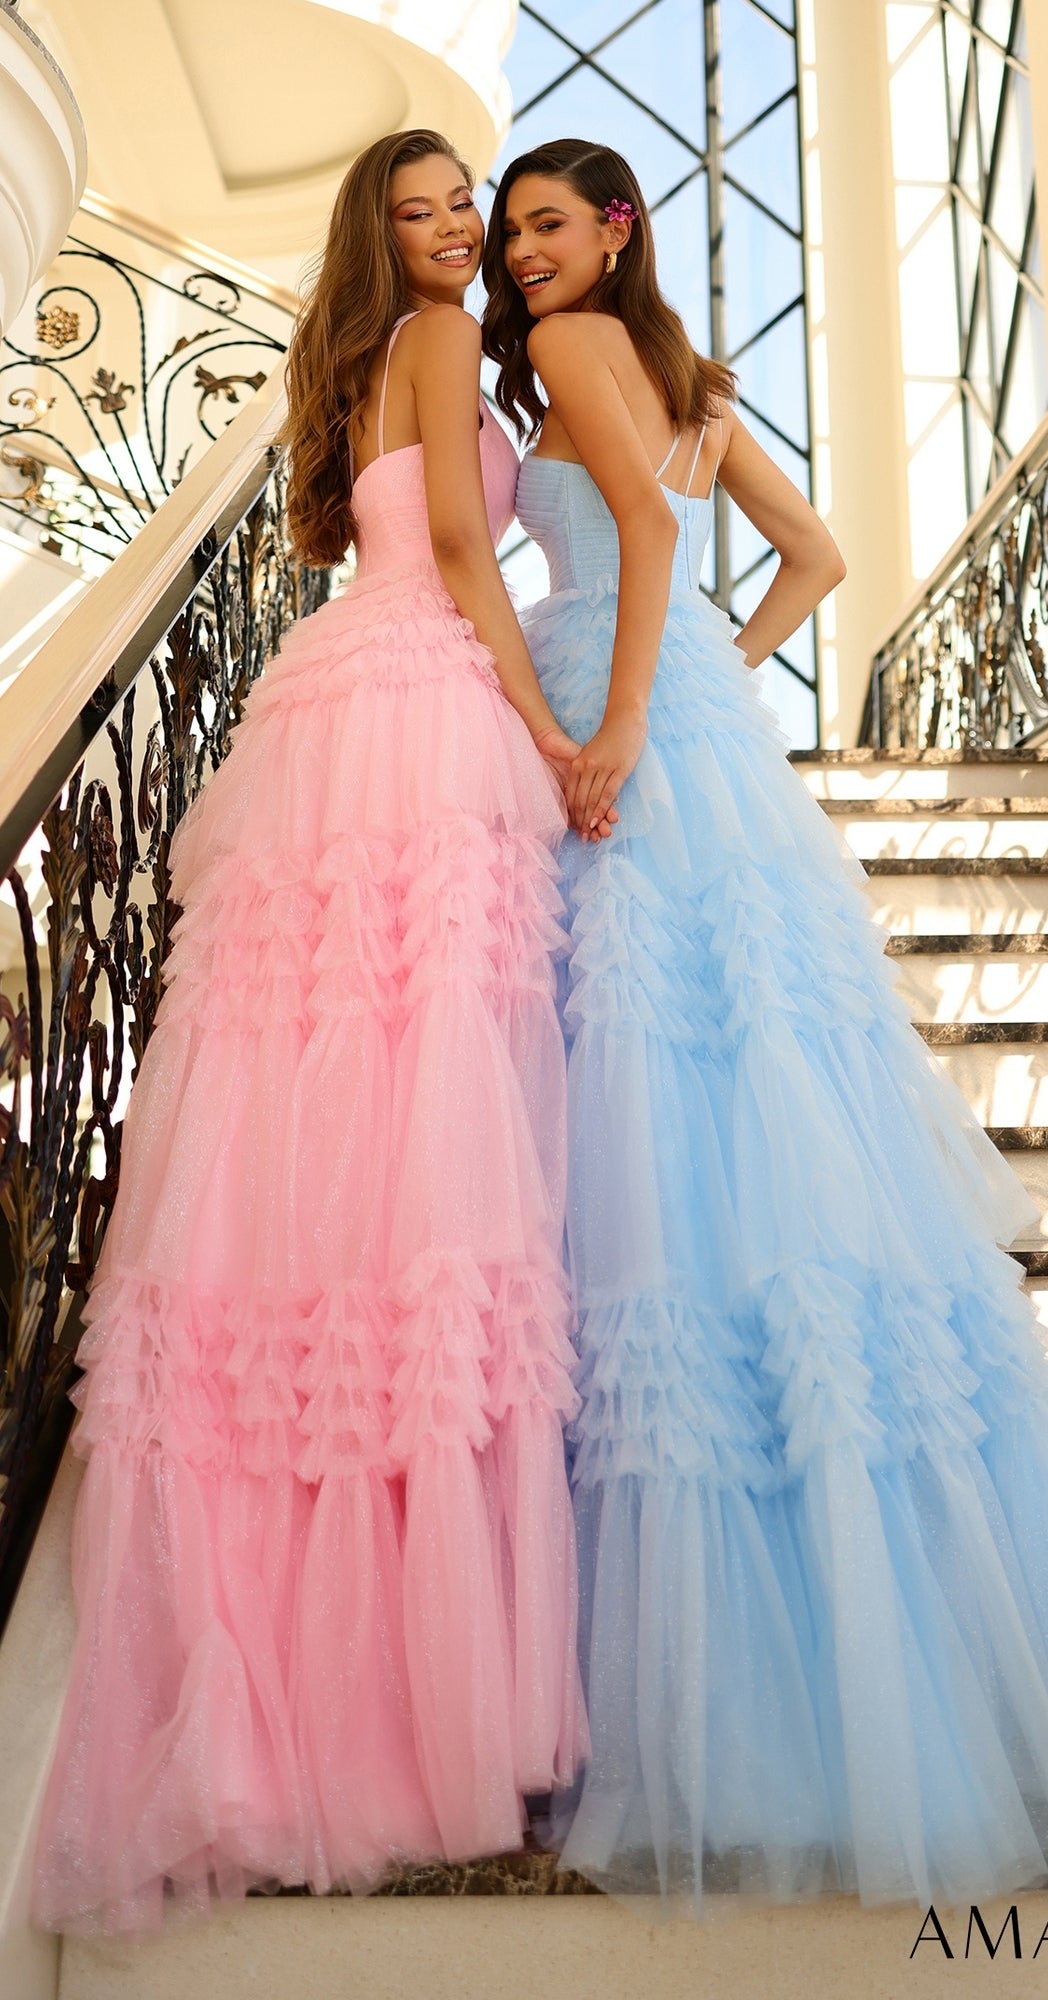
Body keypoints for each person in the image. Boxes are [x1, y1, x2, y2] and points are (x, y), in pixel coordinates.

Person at [481, 137, 1048, 1912]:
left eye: (548, 226)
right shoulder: (688, 373)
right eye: (509, 235)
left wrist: (630, 698)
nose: (523, 257)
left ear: (618, 226)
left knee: (650, 1098)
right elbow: (816, 553)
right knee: (751, 1094)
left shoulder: (576, 357)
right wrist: (718, 655)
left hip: (617, 713)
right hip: (694, 717)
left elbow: (631, 531)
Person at [33, 128, 592, 1936]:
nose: (454, 233)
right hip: (425, 700)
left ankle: (303, 1690)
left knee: (334, 1135)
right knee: (431, 1138)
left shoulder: (359, 355)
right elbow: (456, 547)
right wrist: (546, 726)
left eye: (466, 209)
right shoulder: (437, 338)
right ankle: (416, 1704)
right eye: (427, 212)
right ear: (391, 235)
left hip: (339, 703)